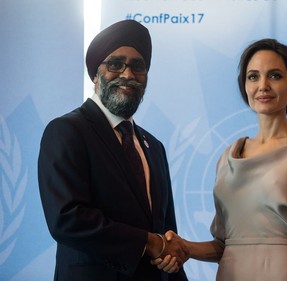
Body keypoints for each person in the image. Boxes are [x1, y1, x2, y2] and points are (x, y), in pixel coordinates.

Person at [154, 38, 287, 281]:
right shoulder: (227, 156)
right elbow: (224, 245)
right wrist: (184, 247)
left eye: (275, 76)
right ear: (244, 85)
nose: (263, 85)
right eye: (253, 76)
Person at [38, 19, 189, 281]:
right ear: (95, 74)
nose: (128, 75)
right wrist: (148, 243)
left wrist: (169, 258)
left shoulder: (154, 147)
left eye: (138, 66)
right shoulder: (67, 131)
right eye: (115, 64)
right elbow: (67, 219)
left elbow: (166, 234)